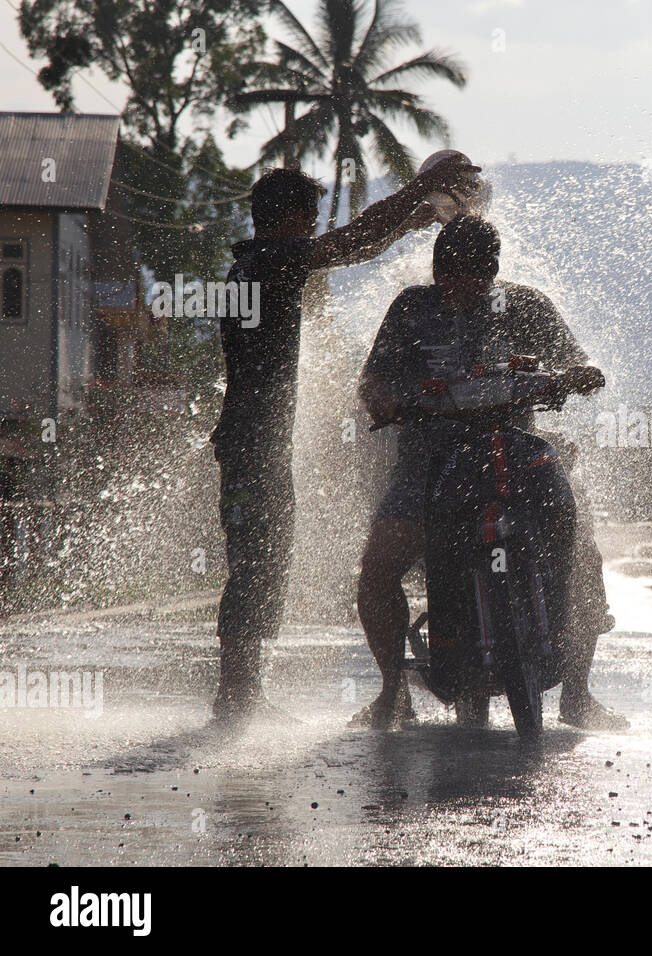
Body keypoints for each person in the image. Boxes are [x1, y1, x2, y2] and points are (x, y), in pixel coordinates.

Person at [210, 154, 480, 723]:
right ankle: (235, 698)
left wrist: (405, 222)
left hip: (254, 441)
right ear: (288, 218)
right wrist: (418, 189)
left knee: (263, 562)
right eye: (309, 220)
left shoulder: (256, 263)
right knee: (255, 566)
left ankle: (242, 695)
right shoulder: (270, 260)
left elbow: (352, 246)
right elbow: (349, 242)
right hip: (252, 444)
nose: (313, 231)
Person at [354, 214, 627, 731]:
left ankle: (577, 694)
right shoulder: (411, 307)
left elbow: (578, 361)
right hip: (428, 462)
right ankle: (390, 693)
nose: (453, 288)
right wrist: (383, 400)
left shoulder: (525, 305)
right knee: (379, 571)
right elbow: (373, 378)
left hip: (515, 452)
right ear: (434, 271)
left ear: (492, 272)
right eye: (444, 275)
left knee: (584, 557)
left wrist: (580, 375)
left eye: (466, 278)